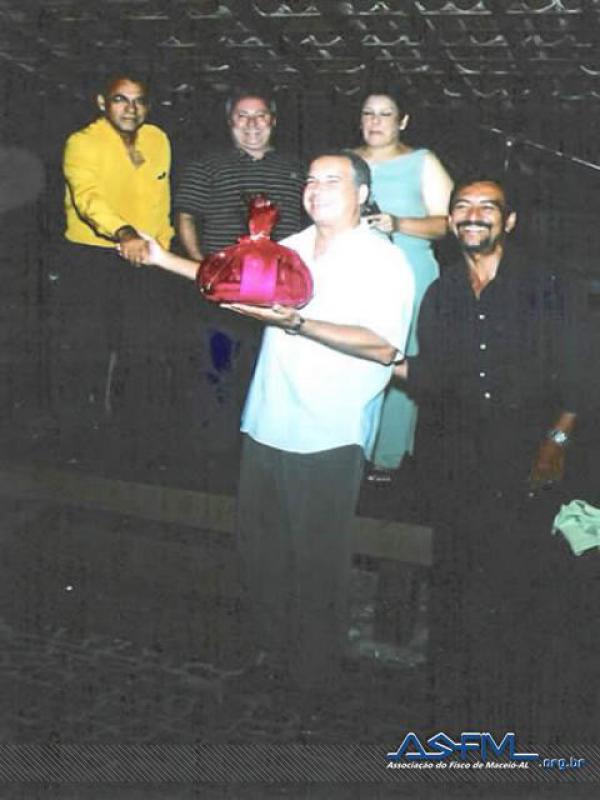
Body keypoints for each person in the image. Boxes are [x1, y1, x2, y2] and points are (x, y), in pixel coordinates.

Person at [130, 151, 414, 693]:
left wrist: (297, 323)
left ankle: (313, 678)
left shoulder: (383, 260)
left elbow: (383, 347)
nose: (316, 188)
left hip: (329, 430)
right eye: (310, 179)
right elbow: (226, 280)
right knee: (261, 550)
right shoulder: (293, 246)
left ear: (362, 193)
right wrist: (161, 257)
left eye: (331, 180)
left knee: (317, 561)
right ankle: (271, 658)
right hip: (266, 420)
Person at [394, 178, 583, 735]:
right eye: (462, 206)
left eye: (487, 207)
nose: (473, 215)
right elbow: (433, 377)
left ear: (509, 221)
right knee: (456, 579)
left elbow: (582, 372)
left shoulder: (548, 285)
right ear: (451, 220)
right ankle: (457, 710)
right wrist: (373, 358)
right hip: (458, 456)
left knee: (521, 583)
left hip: (530, 454)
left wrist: (557, 441)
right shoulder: (443, 291)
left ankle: (519, 713)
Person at [52, 73, 174, 466]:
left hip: (146, 258)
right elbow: (87, 199)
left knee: (141, 348)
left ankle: (132, 441)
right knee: (87, 349)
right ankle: (75, 442)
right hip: (92, 257)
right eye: (121, 99)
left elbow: (159, 201)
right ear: (102, 102)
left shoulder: (157, 139)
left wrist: (164, 249)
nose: (130, 108)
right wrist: (124, 233)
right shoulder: (82, 142)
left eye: (138, 100)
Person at [173, 91, 304, 452]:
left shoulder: (297, 169)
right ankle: (213, 454)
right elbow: (185, 215)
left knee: (271, 376)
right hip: (224, 296)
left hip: (280, 297)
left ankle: (261, 449)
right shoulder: (206, 165)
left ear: (273, 121)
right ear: (230, 122)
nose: (251, 124)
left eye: (260, 115)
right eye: (242, 116)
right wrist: (202, 268)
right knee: (217, 373)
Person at [354, 91, 453, 481]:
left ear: (403, 121)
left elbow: (449, 222)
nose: (376, 121)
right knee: (354, 355)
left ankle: (388, 458)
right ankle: (352, 448)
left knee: (400, 359)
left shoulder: (422, 161)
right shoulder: (345, 160)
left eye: (385, 114)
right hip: (356, 272)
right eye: (368, 114)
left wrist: (399, 223)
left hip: (411, 270)